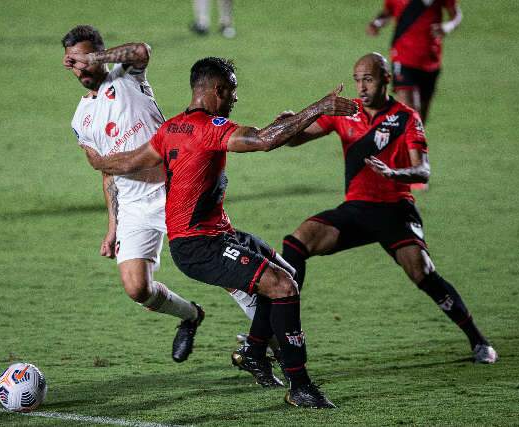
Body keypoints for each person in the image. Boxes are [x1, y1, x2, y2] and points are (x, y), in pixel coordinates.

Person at [81, 57, 359, 408]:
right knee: (282, 286)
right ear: (218, 90)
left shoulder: (172, 128)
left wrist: (99, 162)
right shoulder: (209, 128)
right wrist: (321, 107)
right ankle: (300, 386)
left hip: (217, 234)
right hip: (199, 246)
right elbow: (262, 140)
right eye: (233, 93)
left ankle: (255, 352)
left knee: (288, 276)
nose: (235, 101)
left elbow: (128, 161)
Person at [278, 52, 498, 365]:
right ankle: (277, 332)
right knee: (296, 243)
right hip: (356, 209)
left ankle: (479, 341)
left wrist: (396, 174)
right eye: (357, 79)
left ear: (385, 79)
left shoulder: (406, 117)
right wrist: (287, 124)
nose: (361, 86)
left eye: (368, 79)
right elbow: (294, 140)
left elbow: (423, 171)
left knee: (422, 272)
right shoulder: (346, 112)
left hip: (395, 209)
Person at [62, 25, 205, 364]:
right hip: (132, 204)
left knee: (213, 265)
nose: (81, 69)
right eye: (74, 62)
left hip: (173, 189)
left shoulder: (125, 75)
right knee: (136, 288)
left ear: (99, 53)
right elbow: (107, 172)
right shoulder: (81, 118)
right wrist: (112, 227)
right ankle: (190, 316)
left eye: (86, 60)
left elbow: (142, 49)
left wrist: (93, 58)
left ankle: (264, 341)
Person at [366, 0, 462, 124]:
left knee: (420, 121)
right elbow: (388, 11)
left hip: (430, 59)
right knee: (411, 116)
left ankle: (400, 140)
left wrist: (447, 27)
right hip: (402, 57)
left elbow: (456, 15)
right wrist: (377, 23)